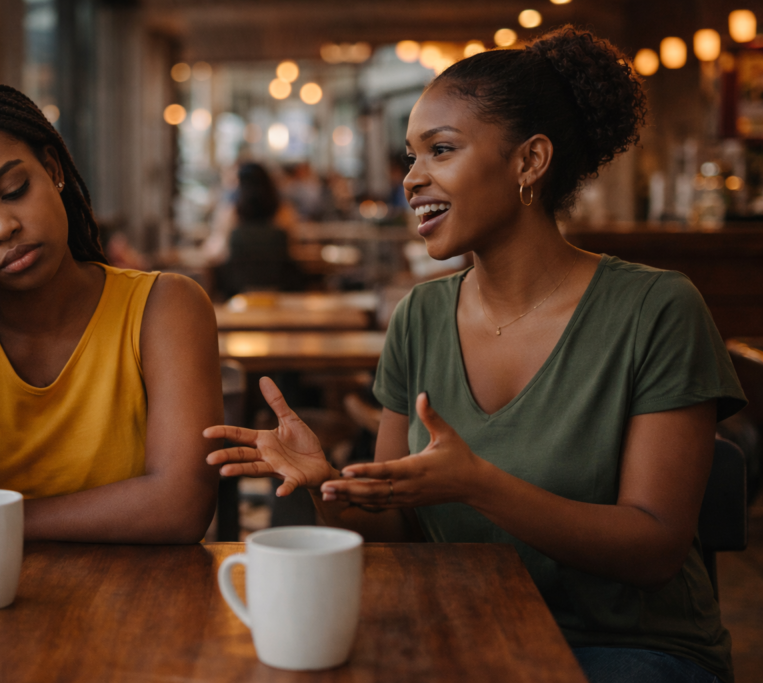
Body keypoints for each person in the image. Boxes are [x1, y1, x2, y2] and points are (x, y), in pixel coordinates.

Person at [205, 26, 744, 683]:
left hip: (625, 650)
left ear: (529, 161)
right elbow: (398, 525)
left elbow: (655, 546)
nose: (411, 178)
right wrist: (329, 487)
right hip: (460, 625)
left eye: (441, 149)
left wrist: (479, 486)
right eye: (410, 156)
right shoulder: (420, 317)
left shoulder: (657, 310)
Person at [0, 78, 221, 543]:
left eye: (13, 190)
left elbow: (182, 505)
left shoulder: (165, 307)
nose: (2, 227)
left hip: (139, 607)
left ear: (52, 169)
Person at [215, 162, 304, 298]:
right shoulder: (285, 213)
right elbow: (294, 249)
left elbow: (217, 252)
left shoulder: (230, 215)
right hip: (280, 291)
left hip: (237, 293)